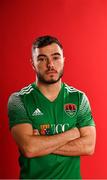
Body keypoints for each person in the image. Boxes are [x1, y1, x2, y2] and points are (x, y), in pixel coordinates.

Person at [8, 35, 96, 179]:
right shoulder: (18, 100)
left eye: (56, 57)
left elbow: (89, 146)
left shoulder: (79, 98)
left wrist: (41, 143)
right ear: (32, 64)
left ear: (63, 60)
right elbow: (29, 148)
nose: (50, 64)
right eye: (42, 59)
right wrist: (71, 134)